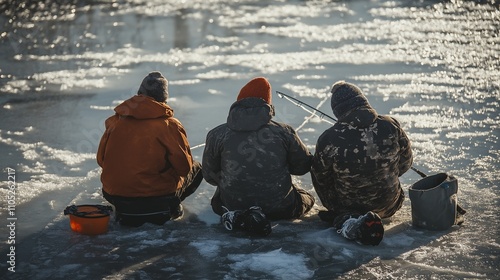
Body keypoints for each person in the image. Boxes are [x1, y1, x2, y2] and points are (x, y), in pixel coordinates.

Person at [202, 77, 315, 235]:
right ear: (267, 105)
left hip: (231, 204)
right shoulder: (284, 132)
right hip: (282, 208)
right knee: (307, 197)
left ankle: (239, 216)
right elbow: (302, 167)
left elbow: (209, 176)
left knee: (221, 202)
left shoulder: (217, 134)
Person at [311, 81, 413, 245]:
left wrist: (334, 204)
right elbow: (406, 163)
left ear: (338, 111)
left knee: (340, 211)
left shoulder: (329, 138)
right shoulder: (390, 125)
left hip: (349, 206)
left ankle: (349, 222)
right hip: (390, 204)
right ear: (363, 101)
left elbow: (320, 178)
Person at [97, 71, 203, 227]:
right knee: (197, 168)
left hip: (115, 195)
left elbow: (101, 161)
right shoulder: (170, 125)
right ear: (163, 99)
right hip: (156, 198)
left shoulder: (115, 121)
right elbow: (183, 168)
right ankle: (169, 208)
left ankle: (129, 209)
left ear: (139, 93)